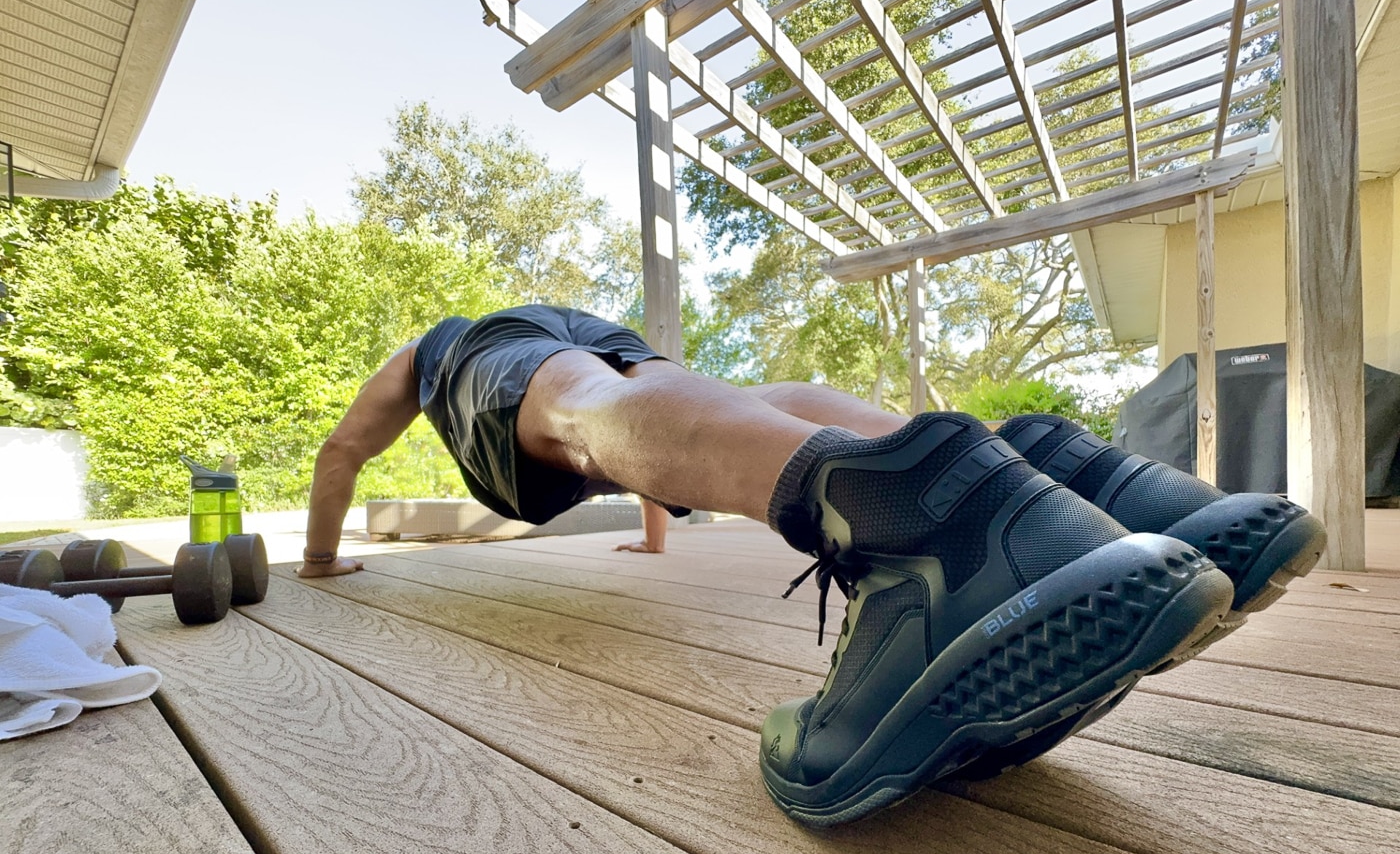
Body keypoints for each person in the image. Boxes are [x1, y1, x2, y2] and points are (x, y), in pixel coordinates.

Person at [300, 304, 1325, 827]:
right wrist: (650, 536)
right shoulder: (546, 342)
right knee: (756, 397)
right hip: (591, 334)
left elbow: (342, 451)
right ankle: (1084, 490)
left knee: (573, 414)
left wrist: (316, 561)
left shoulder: (442, 352)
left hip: (532, 354)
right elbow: (657, 459)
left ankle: (920, 530)